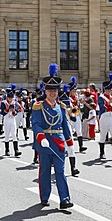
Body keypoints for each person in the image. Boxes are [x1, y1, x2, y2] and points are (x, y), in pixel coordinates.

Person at [32, 63, 74, 209]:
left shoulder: (61, 107)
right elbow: (36, 124)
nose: (52, 93)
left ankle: (65, 199)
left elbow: (65, 126)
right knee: (44, 172)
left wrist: (70, 143)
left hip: (58, 142)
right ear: (45, 91)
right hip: (45, 143)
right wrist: (41, 137)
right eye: (50, 90)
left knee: (60, 172)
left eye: (55, 90)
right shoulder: (38, 106)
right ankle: (45, 196)